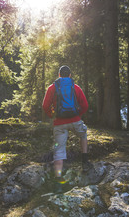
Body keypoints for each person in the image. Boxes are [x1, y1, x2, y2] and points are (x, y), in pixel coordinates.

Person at [42, 65, 92, 193]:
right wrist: (78, 115)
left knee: (59, 151)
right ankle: (85, 162)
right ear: (70, 75)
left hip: (59, 123)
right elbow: (85, 105)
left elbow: (45, 105)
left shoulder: (52, 88)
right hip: (75, 120)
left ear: (59, 75)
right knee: (83, 134)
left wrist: (52, 115)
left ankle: (58, 183)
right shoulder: (75, 87)